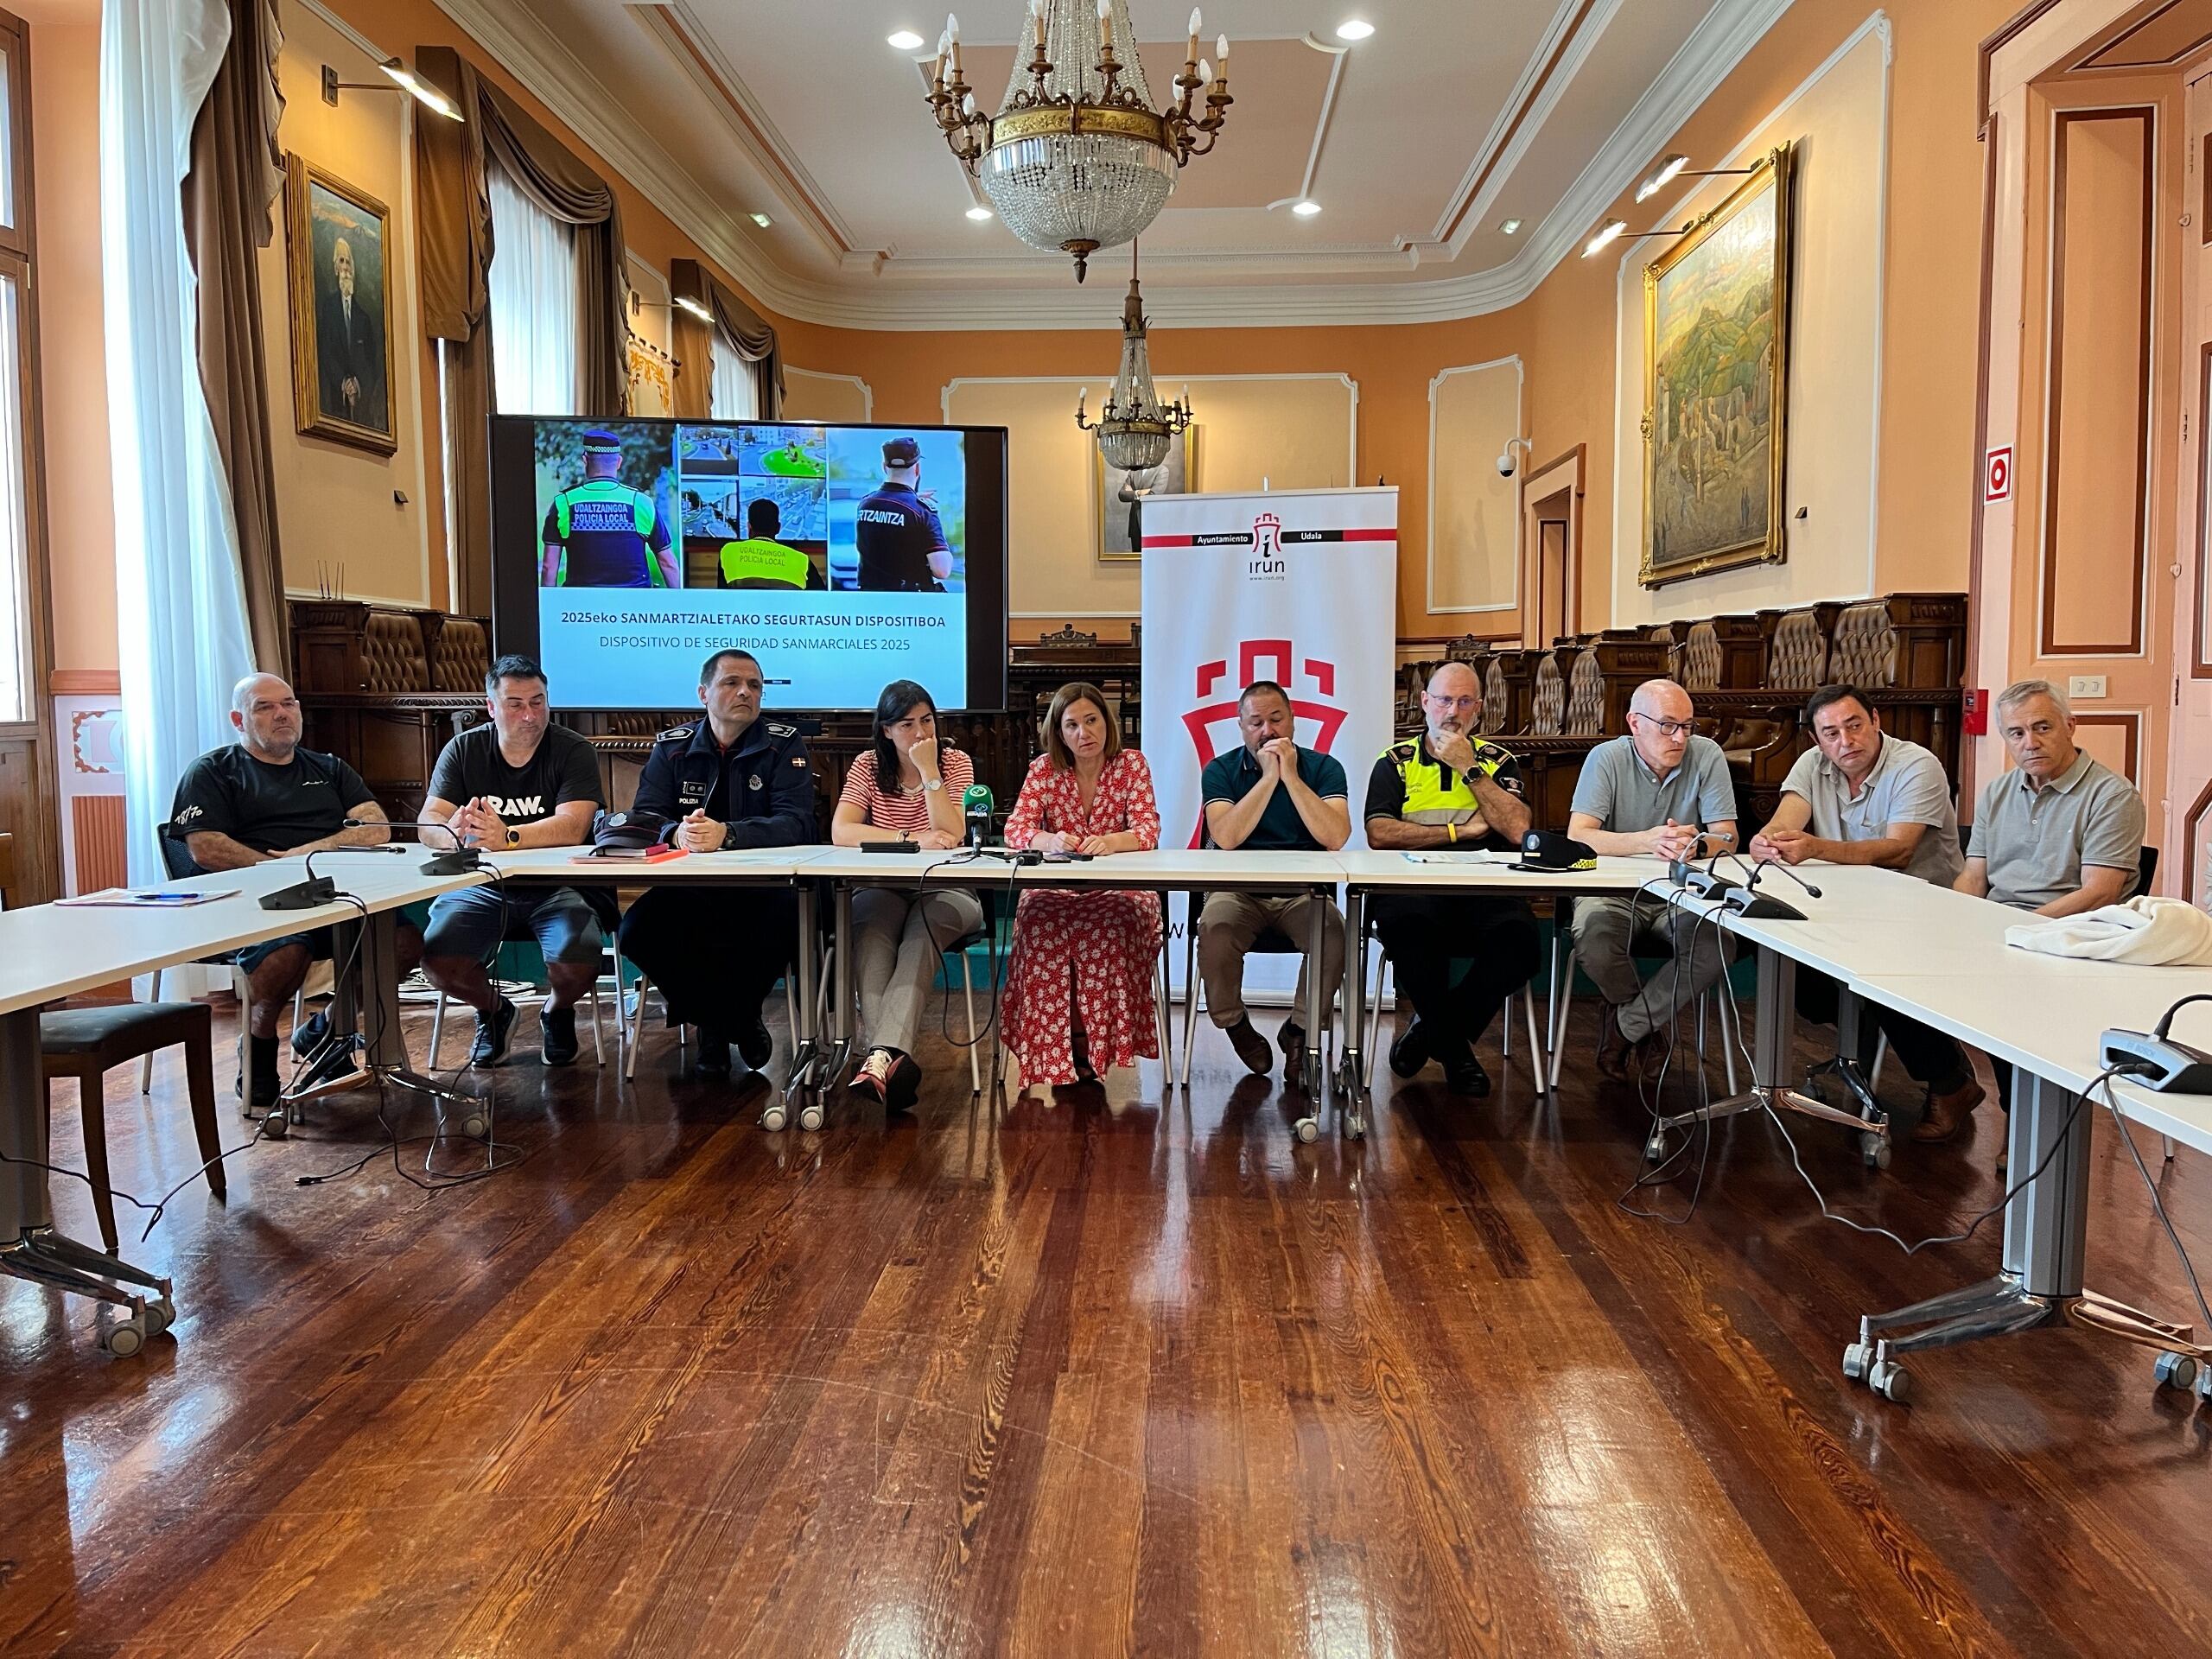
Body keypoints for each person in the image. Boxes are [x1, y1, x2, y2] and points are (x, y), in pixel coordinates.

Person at [170, 673, 418, 1110]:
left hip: (332, 895)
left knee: (401, 942)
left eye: (289, 704)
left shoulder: (328, 767)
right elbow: (204, 847)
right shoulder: (212, 772)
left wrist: (309, 854)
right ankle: (260, 1043)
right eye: (265, 707)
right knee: (287, 955)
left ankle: (324, 1029)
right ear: (238, 719)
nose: (281, 714)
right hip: (256, 903)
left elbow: (376, 826)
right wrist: (276, 870)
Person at [1750, 684, 1981, 1133]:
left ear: (1876, 720)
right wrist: (1768, 839)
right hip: (1849, 908)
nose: (1845, 742)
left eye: (1854, 726)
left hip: (1923, 909)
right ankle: (1884, 1047)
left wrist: (1816, 847)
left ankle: (1949, 1083)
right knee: (1788, 959)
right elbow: (1785, 821)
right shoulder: (1813, 765)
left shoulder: (1916, 765)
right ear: (1817, 740)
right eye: (1830, 734)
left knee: (1878, 973)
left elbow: (1899, 851)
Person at [1950, 678, 2146, 1143]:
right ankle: (1947, 1084)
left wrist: (2018, 930)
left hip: (2070, 937)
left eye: (2042, 727)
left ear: (2070, 726)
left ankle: (2027, 1125)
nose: (2030, 742)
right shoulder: (1998, 792)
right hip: (2004, 930)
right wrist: (1950, 921)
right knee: (1893, 975)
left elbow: (2099, 892)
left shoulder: (2111, 796)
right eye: (2016, 733)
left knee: (2008, 995)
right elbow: (1974, 877)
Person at [618, 650, 816, 1078]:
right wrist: (676, 833)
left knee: (786, 922)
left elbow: (799, 822)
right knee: (637, 932)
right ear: (703, 693)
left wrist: (729, 834)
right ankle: (732, 1021)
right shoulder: (672, 748)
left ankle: (716, 1026)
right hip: (689, 887)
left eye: (754, 686)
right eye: (731, 683)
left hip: (764, 888)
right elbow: (646, 818)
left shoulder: (784, 744)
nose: (745, 692)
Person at [418, 656, 610, 1068]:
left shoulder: (572, 749)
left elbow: (574, 826)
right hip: (481, 885)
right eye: (516, 704)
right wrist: (449, 833)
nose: (530, 715)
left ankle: (556, 1011)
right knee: (437, 963)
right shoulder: (465, 748)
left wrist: (508, 838)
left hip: (556, 887)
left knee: (578, 962)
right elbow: (428, 822)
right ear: (491, 707)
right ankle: (494, 1010)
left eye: (538, 702)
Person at [1363, 662, 1539, 1096]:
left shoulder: (1499, 761)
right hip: (1413, 887)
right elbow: (1379, 833)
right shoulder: (1395, 762)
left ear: (1478, 710)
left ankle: (1431, 1032)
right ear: (1425, 703)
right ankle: (1457, 1053)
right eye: (1443, 699)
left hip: (1488, 887)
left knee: (1522, 946)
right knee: (1410, 934)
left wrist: (1471, 768)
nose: (1452, 711)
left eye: (1464, 702)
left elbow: (1519, 831)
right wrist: (1459, 832)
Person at [1566, 677, 1740, 1084]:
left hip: (1682, 891)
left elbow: (1728, 839)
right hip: (1613, 891)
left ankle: (1625, 1027)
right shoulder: (1606, 758)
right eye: (1667, 725)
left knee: (1718, 945)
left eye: (1687, 725)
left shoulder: (1707, 755)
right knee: (1594, 940)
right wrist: (1647, 840)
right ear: (1634, 724)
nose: (1680, 737)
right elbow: (1580, 835)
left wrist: (1693, 845)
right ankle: (1644, 1032)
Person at [830, 680, 987, 1109]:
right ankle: (891, 1058)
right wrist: (909, 838)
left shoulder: (954, 762)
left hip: (948, 889)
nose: (921, 733)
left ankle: (878, 1056)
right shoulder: (867, 766)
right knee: (871, 931)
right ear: (886, 730)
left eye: (927, 721)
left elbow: (954, 833)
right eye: (907, 724)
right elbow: (842, 830)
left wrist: (930, 772)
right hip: (885, 885)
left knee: (921, 936)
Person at [1001, 683, 1162, 1086]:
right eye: (1071, 725)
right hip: (1057, 884)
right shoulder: (1043, 769)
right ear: (1057, 732)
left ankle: (1095, 1043)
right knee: (1039, 919)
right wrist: (1048, 840)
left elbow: (1148, 830)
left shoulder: (1132, 764)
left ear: (1106, 723)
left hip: (1118, 887)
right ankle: (1059, 1047)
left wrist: (1111, 842)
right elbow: (1016, 828)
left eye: (1091, 721)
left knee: (1112, 923)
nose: (1083, 733)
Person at [1196, 680, 1350, 1078]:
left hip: (1303, 894)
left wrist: (1291, 778)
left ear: (1293, 719)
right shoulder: (1221, 770)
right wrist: (1267, 779)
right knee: (1214, 926)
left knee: (1332, 930)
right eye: (1256, 723)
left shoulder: (1324, 768)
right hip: (1238, 891)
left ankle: (1299, 1031)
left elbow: (1335, 836)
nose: (1268, 731)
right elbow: (1226, 838)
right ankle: (1236, 1025)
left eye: (1276, 719)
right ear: (1241, 726)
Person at [540, 429, 678, 589]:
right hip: (635, 607)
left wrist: (547, 608)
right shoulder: (641, 502)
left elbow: (548, 567)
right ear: (619, 462)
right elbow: (668, 563)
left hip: (580, 609)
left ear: (585, 460)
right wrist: (681, 606)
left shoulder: (564, 503)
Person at [852, 436, 952, 593]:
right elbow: (942, 570)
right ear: (917, 469)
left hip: (869, 601)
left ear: (884, 467)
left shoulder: (865, 504)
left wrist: (912, 498)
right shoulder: (922, 511)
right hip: (908, 605)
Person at [316, 234, 385, 430]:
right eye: (341, 261)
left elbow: (372, 361)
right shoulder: (328, 308)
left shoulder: (364, 318)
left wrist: (358, 383)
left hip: (362, 405)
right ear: (336, 268)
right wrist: (343, 382)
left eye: (348, 262)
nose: (345, 268)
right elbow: (326, 352)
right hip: (335, 401)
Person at [719, 498, 818, 590]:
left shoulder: (728, 552)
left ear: (749, 527)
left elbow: (722, 599)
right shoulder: (802, 560)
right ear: (778, 528)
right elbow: (821, 602)